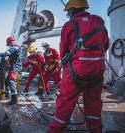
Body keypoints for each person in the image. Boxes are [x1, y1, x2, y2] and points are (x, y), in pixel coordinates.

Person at [48, 0, 109, 132]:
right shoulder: (98, 21)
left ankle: (55, 129)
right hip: (98, 70)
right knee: (93, 103)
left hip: (78, 70)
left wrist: (66, 69)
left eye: (68, 13)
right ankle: (96, 130)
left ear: (72, 10)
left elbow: (63, 50)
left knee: (65, 103)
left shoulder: (69, 24)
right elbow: (106, 44)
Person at [0, 36, 21, 105]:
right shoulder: (15, 47)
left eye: (8, 44)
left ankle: (14, 99)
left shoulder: (14, 47)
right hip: (13, 66)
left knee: (11, 82)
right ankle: (8, 95)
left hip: (15, 68)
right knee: (7, 81)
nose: (8, 46)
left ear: (10, 42)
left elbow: (6, 54)